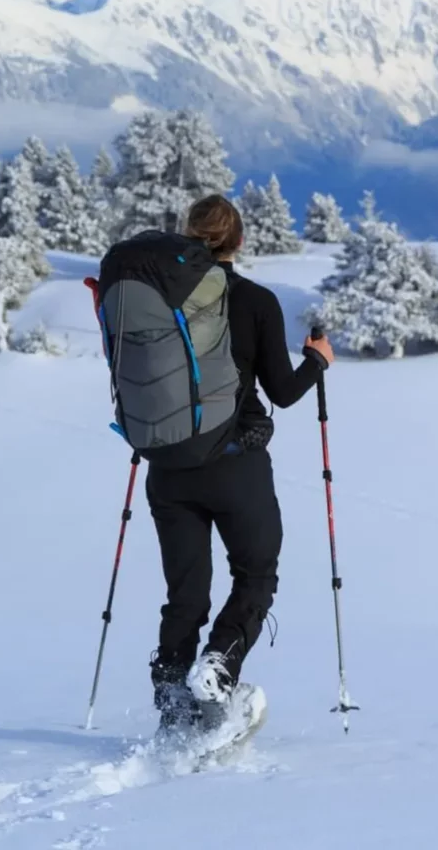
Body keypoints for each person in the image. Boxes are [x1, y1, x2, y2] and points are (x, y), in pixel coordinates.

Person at [145, 193, 335, 733]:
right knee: (256, 574)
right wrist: (317, 362)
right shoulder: (255, 300)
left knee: (185, 594)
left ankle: (173, 711)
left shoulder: (157, 299)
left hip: (168, 468)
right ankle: (218, 667)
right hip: (235, 464)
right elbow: (282, 389)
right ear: (240, 241)